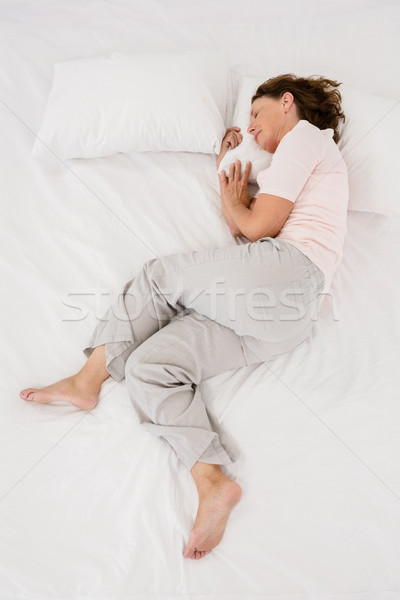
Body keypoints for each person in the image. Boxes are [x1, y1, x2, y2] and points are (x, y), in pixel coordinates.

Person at [20, 74, 348, 561]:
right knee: (150, 369)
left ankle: (87, 379)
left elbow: (256, 227)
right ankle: (212, 482)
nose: (252, 128)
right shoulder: (292, 165)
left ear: (288, 103)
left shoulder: (306, 138)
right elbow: (246, 239)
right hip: (284, 320)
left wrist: (237, 194)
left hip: (289, 274)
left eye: (256, 114)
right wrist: (228, 174)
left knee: (158, 277)